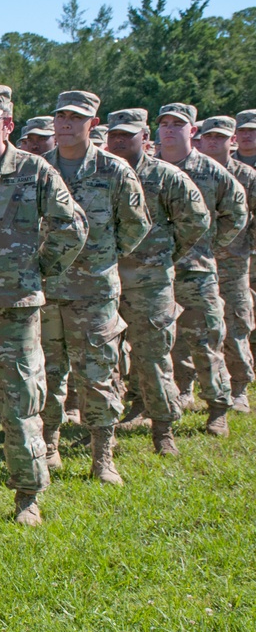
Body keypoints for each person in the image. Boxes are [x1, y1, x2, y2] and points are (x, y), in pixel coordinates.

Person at [0, 84, 85, 519]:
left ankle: (27, 494)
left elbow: (72, 226)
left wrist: (38, 270)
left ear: (8, 124)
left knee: (21, 404)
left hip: (16, 310)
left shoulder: (35, 171)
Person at [42, 90, 150, 484]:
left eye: (76, 117)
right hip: (48, 288)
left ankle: (102, 455)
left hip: (95, 292)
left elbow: (136, 225)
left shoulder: (114, 170)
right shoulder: (38, 169)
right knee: (46, 372)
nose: (67, 123)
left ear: (93, 123)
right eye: (61, 116)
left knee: (98, 373)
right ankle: (48, 446)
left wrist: (101, 257)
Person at [107, 109, 209, 454]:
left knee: (153, 357)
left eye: (127, 135)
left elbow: (196, 220)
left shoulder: (165, 176)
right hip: (102, 281)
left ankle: (163, 430)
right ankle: (119, 418)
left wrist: (165, 254)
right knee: (105, 359)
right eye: (115, 135)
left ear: (144, 138)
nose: (119, 141)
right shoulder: (100, 173)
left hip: (150, 283)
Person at [157, 103, 246, 435]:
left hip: (196, 270)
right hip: (155, 271)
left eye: (177, 124)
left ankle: (217, 408)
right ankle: (172, 396)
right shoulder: (147, 169)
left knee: (207, 339)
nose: (169, 129)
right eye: (164, 123)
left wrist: (210, 246)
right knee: (161, 342)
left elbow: (236, 211)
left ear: (191, 130)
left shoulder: (209, 171)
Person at [196, 115, 256, 413]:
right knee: (199, 327)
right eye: (210, 136)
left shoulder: (246, 176)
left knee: (236, 323)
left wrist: (248, 247)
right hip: (197, 262)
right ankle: (189, 387)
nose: (214, 141)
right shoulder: (193, 172)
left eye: (221, 137)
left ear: (231, 141)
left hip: (234, 261)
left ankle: (240, 387)